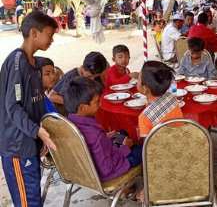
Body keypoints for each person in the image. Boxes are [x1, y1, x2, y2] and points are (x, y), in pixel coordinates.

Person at [0, 11, 58, 206]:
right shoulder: (17, 61)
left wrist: (38, 136)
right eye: (49, 34)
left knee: (33, 196)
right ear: (34, 32)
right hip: (17, 146)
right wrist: (37, 131)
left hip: (29, 142)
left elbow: (35, 104)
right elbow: (13, 106)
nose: (51, 39)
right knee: (27, 201)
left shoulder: (35, 64)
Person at [65, 78, 142, 181]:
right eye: (97, 102)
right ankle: (140, 188)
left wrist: (105, 139)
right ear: (83, 108)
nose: (100, 104)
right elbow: (107, 169)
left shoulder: (68, 123)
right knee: (146, 147)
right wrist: (124, 148)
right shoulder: (96, 135)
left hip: (92, 166)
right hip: (113, 170)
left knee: (124, 132)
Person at [137, 61, 184, 137]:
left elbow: (148, 146)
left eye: (138, 79)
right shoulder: (172, 97)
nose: (137, 81)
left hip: (161, 148)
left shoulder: (144, 117)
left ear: (145, 88)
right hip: (181, 141)